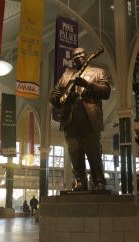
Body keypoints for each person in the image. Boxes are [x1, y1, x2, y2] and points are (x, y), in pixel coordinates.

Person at [49, 47, 111, 191]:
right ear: (72, 58)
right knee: (75, 154)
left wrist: (87, 85)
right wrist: (64, 97)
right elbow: (53, 96)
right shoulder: (66, 74)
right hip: (70, 120)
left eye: (81, 54)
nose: (78, 56)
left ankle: (99, 181)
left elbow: (106, 92)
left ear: (87, 55)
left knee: (93, 152)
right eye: (75, 55)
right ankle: (80, 181)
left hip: (89, 119)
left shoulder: (98, 72)